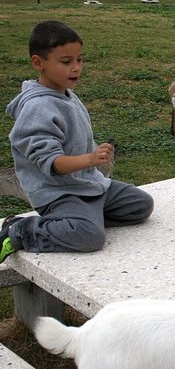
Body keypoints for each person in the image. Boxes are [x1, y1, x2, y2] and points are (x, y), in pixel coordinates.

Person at [1, 21, 154, 263]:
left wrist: (95, 154)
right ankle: (19, 229)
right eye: (66, 62)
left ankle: (84, 217)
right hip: (60, 193)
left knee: (140, 205)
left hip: (88, 184)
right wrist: (91, 159)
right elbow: (53, 164)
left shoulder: (66, 95)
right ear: (38, 63)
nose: (76, 68)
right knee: (90, 238)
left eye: (79, 60)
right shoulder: (37, 108)